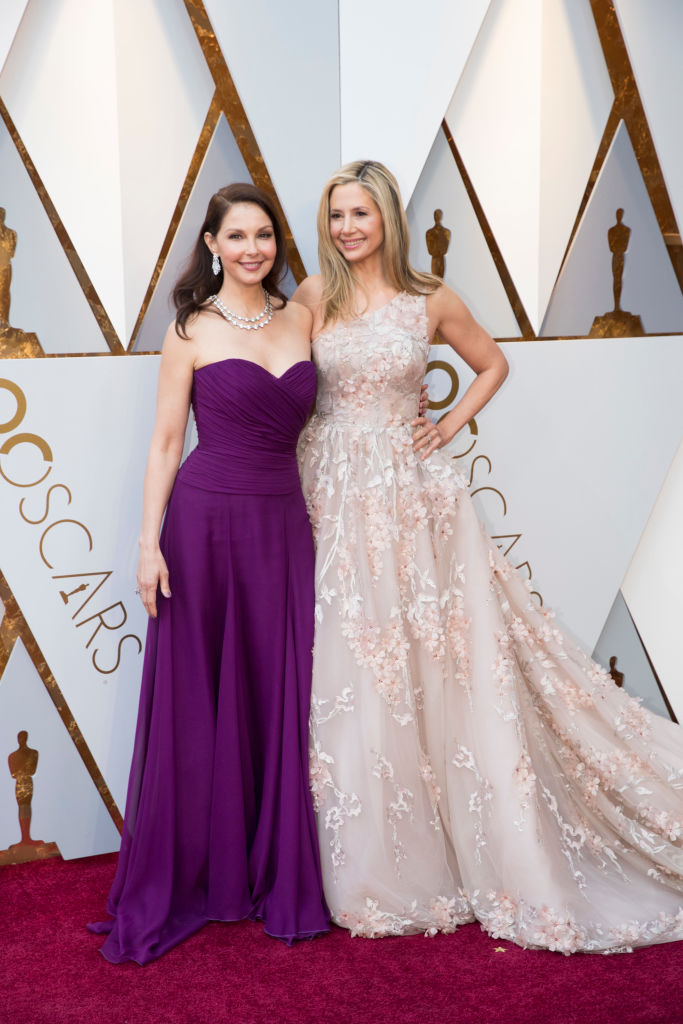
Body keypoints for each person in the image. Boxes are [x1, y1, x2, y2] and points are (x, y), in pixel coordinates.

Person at [294, 160, 683, 953]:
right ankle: (371, 859)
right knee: (353, 665)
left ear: (388, 220)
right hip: (329, 492)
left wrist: (445, 424)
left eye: (360, 213)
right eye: (336, 215)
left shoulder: (428, 298)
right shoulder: (311, 297)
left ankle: (456, 851)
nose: (346, 228)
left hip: (412, 497)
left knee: (432, 663)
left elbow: (493, 362)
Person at [89, 183, 330, 964]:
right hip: (202, 525)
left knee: (277, 691)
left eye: (264, 235)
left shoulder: (306, 315)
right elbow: (165, 442)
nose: (253, 248)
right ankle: (203, 872)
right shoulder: (189, 328)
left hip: (281, 525)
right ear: (213, 244)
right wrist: (147, 543)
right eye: (238, 236)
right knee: (198, 699)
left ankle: (268, 868)